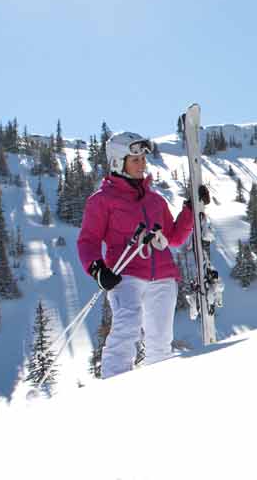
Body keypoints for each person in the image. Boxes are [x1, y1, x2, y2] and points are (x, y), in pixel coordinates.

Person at [77, 131, 209, 378]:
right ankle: (113, 389)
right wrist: (97, 269)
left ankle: (155, 395)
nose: (142, 165)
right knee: (127, 329)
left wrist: (191, 209)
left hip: (163, 278)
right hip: (125, 275)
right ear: (118, 162)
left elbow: (175, 237)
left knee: (161, 343)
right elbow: (88, 240)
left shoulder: (155, 201)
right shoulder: (102, 201)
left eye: (143, 159)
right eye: (135, 159)